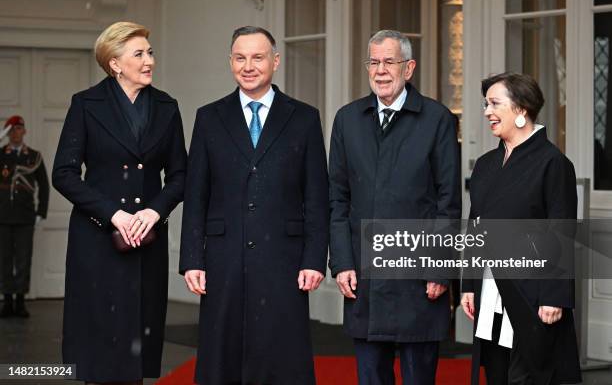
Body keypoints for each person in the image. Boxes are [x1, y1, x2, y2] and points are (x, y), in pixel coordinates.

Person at [179, 26, 329, 385]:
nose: (249, 66)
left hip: (285, 258)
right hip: (222, 257)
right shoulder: (208, 117)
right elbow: (196, 193)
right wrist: (191, 260)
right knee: (222, 356)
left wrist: (313, 258)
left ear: (275, 62)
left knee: (282, 355)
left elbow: (317, 196)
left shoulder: (304, 118)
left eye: (258, 57)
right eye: (240, 57)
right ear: (230, 62)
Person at [52, 21, 186, 384]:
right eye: (139, 54)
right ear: (114, 63)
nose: (149, 61)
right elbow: (63, 173)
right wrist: (113, 214)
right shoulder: (85, 104)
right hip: (97, 241)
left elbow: (180, 176)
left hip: (146, 239)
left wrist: (153, 211)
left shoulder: (166, 107)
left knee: (137, 342)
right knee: (97, 346)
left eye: (150, 52)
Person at [329, 29, 461, 385]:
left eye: (390, 61)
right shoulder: (347, 120)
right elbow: (337, 199)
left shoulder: (438, 120)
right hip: (365, 278)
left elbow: (449, 203)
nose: (380, 70)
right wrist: (341, 262)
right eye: (373, 62)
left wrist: (439, 268)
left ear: (409, 67)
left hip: (417, 280)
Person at [460, 72, 581, 384]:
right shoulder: (486, 164)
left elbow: (561, 232)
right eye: (486, 104)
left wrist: (554, 295)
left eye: (495, 103)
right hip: (490, 290)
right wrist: (469, 285)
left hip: (532, 294)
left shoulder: (553, 163)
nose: (487, 111)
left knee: (528, 376)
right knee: (497, 373)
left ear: (522, 109)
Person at [0, 115, 49, 318]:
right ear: (7, 133)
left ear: (24, 131)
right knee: (3, 260)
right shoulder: (1, 155)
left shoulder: (33, 157)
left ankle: (20, 301)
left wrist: (40, 213)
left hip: (25, 217)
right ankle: (7, 301)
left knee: (22, 260)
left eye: (19, 129)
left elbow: (44, 186)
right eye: (11, 130)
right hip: (2, 217)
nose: (16, 133)